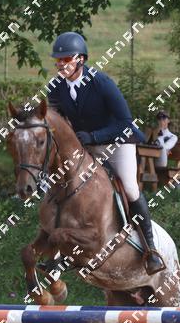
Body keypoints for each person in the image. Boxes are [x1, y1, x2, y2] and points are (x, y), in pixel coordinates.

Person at [47, 31, 165, 274]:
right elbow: (58, 120)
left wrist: (94, 137)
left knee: (130, 188)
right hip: (85, 145)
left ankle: (151, 250)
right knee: (65, 185)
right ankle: (62, 253)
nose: (60, 64)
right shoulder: (56, 87)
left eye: (66, 59)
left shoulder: (101, 83)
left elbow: (125, 122)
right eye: (58, 60)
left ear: (80, 59)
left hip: (118, 141)